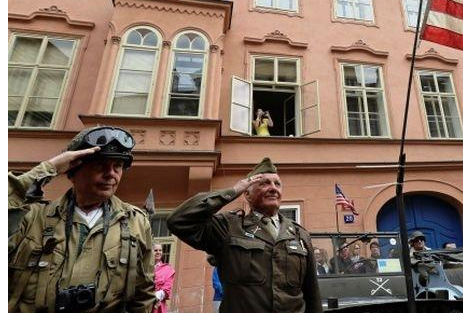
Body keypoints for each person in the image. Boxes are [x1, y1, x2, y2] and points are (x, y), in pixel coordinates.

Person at [8, 126, 155, 313]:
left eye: (117, 166)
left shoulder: (136, 222)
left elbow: (143, 294)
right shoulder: (32, 216)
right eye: (100, 165)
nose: (111, 173)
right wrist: (50, 168)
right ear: (72, 170)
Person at [167, 157, 322, 313]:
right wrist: (233, 191)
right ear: (247, 194)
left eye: (277, 184)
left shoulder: (299, 234)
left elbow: (312, 294)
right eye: (265, 183)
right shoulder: (228, 227)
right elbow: (178, 220)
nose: (273, 188)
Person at [153, 243, 175, 313]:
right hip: (143, 304)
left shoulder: (168, 269)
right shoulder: (144, 268)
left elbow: (166, 290)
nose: (158, 252)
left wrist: (153, 297)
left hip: (158, 307)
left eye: (160, 250)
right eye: (155, 250)